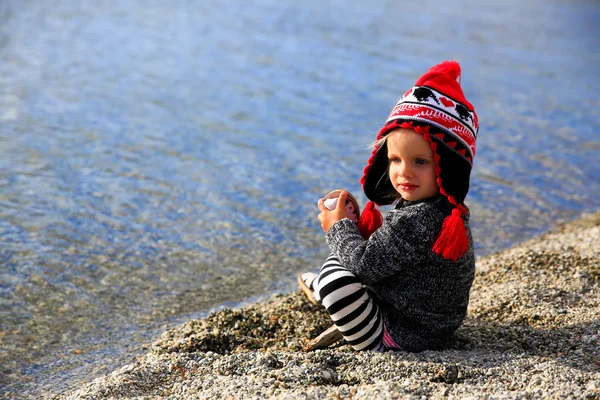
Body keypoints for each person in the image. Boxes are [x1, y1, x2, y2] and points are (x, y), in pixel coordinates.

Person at [298, 60, 479, 352]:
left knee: (336, 278)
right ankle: (326, 287)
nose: (404, 172)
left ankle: (333, 300)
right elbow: (389, 254)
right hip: (427, 324)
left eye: (420, 161)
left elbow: (364, 267)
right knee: (342, 259)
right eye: (395, 160)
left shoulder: (421, 219)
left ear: (448, 167)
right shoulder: (441, 208)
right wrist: (354, 232)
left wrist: (338, 227)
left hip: (402, 333)